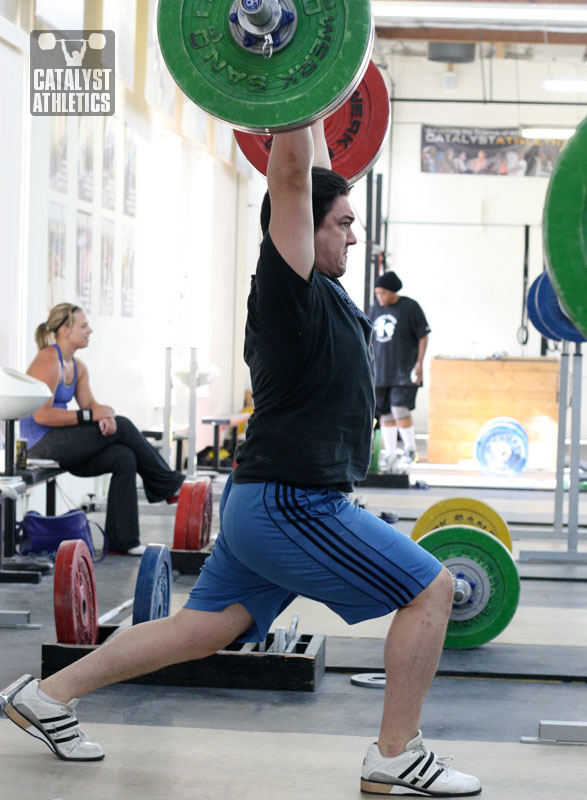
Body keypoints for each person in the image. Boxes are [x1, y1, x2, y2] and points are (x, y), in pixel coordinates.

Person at [4, 125, 480, 797]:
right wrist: (292, 98)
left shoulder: (326, 291)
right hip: (293, 502)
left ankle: (47, 696)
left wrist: (314, 106)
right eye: (342, 223)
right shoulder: (288, 290)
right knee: (427, 589)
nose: (352, 235)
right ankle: (395, 756)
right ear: (300, 228)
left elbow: (311, 172)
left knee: (203, 629)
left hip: (270, 499)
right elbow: (291, 178)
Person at [19, 303, 185, 555]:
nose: (90, 330)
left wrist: (103, 413)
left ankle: (123, 542)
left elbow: (90, 405)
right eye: (83, 326)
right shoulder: (48, 358)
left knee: (123, 457)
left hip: (63, 445)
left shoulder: (77, 366)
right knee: (125, 426)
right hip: (39, 445)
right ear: (64, 329)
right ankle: (169, 484)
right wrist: (92, 415)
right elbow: (42, 414)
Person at [368, 273, 430, 467]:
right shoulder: (375, 308)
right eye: (377, 294)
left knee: (399, 408)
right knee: (385, 412)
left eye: (383, 293)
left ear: (394, 292)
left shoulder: (410, 307)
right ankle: (391, 452)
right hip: (380, 372)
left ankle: (411, 450)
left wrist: (419, 363)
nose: (380, 298)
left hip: (403, 372)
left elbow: (423, 336)